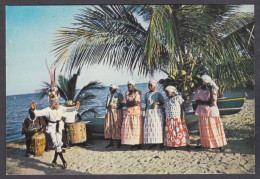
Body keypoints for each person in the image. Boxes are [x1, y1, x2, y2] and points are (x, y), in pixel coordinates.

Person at [193, 75, 227, 152]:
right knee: (204, 129)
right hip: (202, 112)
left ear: (206, 82)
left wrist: (203, 101)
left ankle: (220, 145)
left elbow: (211, 102)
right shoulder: (198, 89)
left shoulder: (212, 90)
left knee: (213, 128)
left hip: (211, 112)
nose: (200, 82)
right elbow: (197, 101)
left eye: (201, 81)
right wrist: (204, 103)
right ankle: (205, 144)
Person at [164, 86, 190, 150]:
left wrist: (183, 118)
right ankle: (173, 144)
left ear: (172, 91)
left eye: (167, 92)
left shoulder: (178, 98)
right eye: (166, 93)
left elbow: (182, 108)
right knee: (171, 133)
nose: (166, 94)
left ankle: (185, 144)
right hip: (169, 118)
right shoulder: (167, 100)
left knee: (180, 131)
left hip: (177, 118)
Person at [121, 80, 143, 149]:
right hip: (128, 113)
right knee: (129, 128)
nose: (129, 86)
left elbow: (136, 103)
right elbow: (123, 103)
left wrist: (128, 103)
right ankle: (132, 143)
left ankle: (139, 144)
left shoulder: (137, 93)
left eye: (130, 85)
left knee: (136, 128)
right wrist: (130, 103)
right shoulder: (126, 93)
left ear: (133, 85)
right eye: (128, 85)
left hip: (136, 113)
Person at [143, 80, 164, 149]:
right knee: (150, 128)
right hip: (149, 112)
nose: (149, 87)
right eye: (148, 85)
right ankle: (153, 142)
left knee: (157, 127)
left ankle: (160, 142)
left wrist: (156, 103)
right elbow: (146, 104)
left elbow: (162, 103)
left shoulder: (158, 94)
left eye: (151, 85)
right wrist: (146, 112)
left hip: (156, 112)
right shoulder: (146, 94)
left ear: (154, 86)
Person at [104, 84, 123, 148]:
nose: (110, 89)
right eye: (110, 88)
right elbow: (107, 103)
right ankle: (111, 142)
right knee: (109, 126)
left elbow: (122, 104)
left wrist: (115, 107)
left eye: (111, 88)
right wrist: (107, 106)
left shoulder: (118, 95)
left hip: (116, 112)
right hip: (109, 112)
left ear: (115, 89)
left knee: (117, 126)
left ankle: (119, 142)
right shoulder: (108, 95)